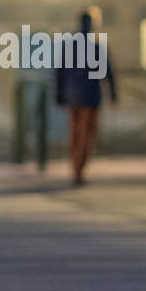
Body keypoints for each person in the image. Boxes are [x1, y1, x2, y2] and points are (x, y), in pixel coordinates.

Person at [54, 11, 117, 186]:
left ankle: (76, 168)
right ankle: (78, 170)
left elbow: (60, 73)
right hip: (89, 97)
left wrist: (59, 96)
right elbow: (108, 72)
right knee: (85, 135)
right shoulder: (96, 47)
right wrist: (112, 94)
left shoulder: (70, 47)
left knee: (75, 133)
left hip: (72, 97)